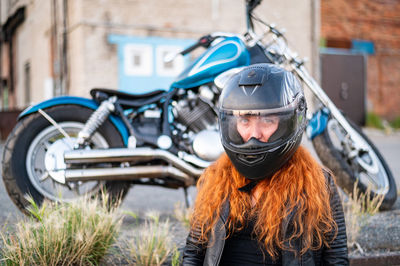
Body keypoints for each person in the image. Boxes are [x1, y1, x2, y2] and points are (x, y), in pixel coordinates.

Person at [182, 63, 348, 265]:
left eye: (268, 121)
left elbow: (336, 260)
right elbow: (193, 253)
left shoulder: (318, 183)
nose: (254, 134)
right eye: (245, 121)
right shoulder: (217, 178)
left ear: (289, 122)